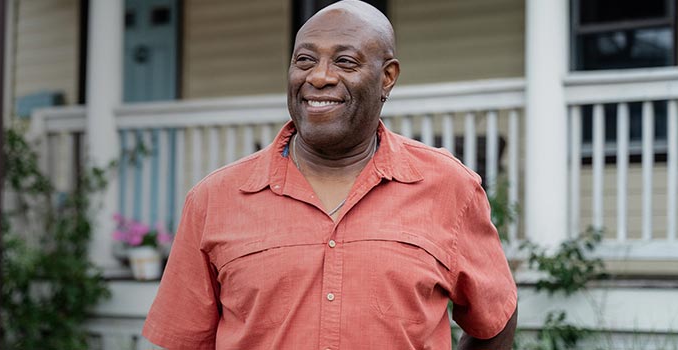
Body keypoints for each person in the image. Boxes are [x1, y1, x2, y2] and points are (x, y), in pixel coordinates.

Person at [139, 1, 518, 349]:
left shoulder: (449, 187)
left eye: (345, 62)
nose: (319, 77)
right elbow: (185, 341)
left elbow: (495, 320)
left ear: (387, 77)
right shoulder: (214, 200)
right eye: (304, 60)